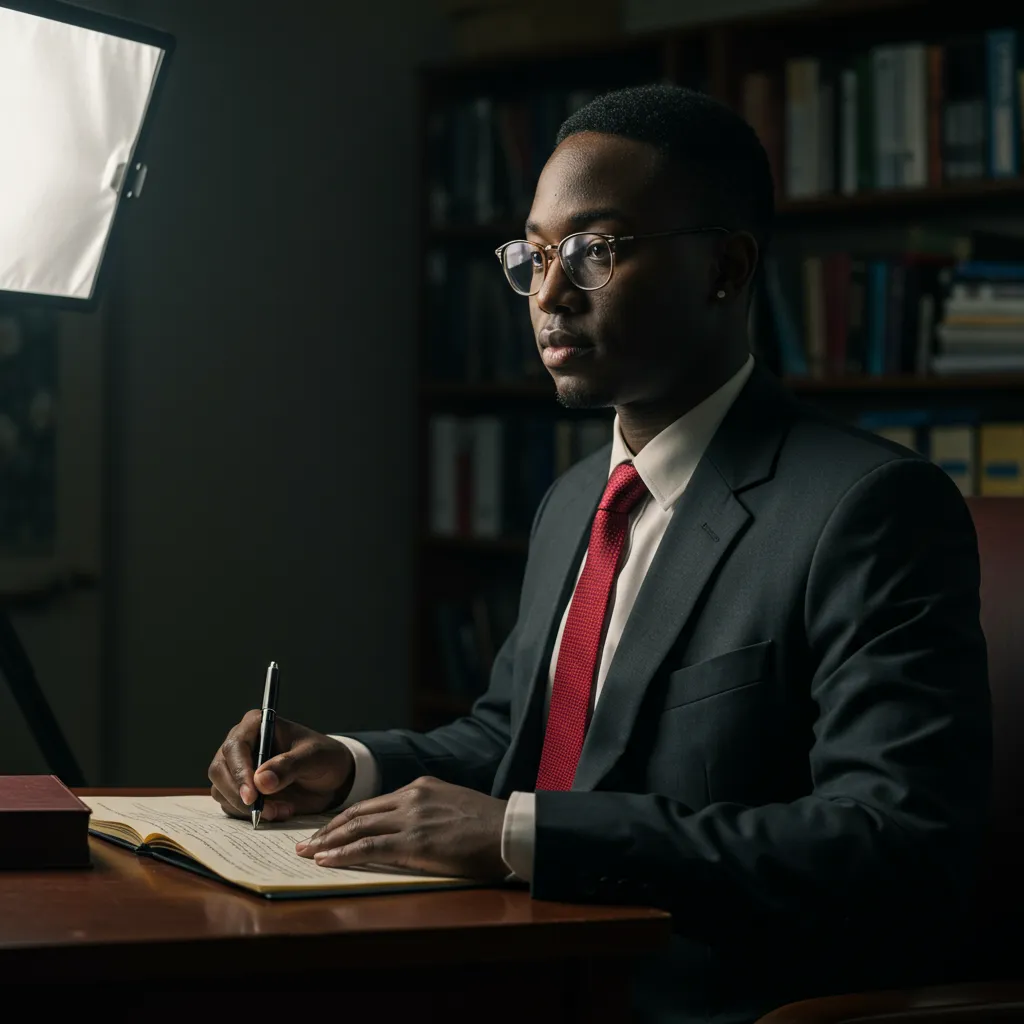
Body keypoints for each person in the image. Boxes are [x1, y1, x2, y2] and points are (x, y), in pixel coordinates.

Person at [209, 84, 992, 1023]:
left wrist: (519, 834)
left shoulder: (867, 509)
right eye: (535, 255)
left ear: (726, 269)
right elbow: (515, 738)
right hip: (517, 962)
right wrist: (346, 763)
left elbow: (891, 841)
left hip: (692, 998)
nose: (547, 295)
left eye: (593, 252)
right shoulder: (578, 497)